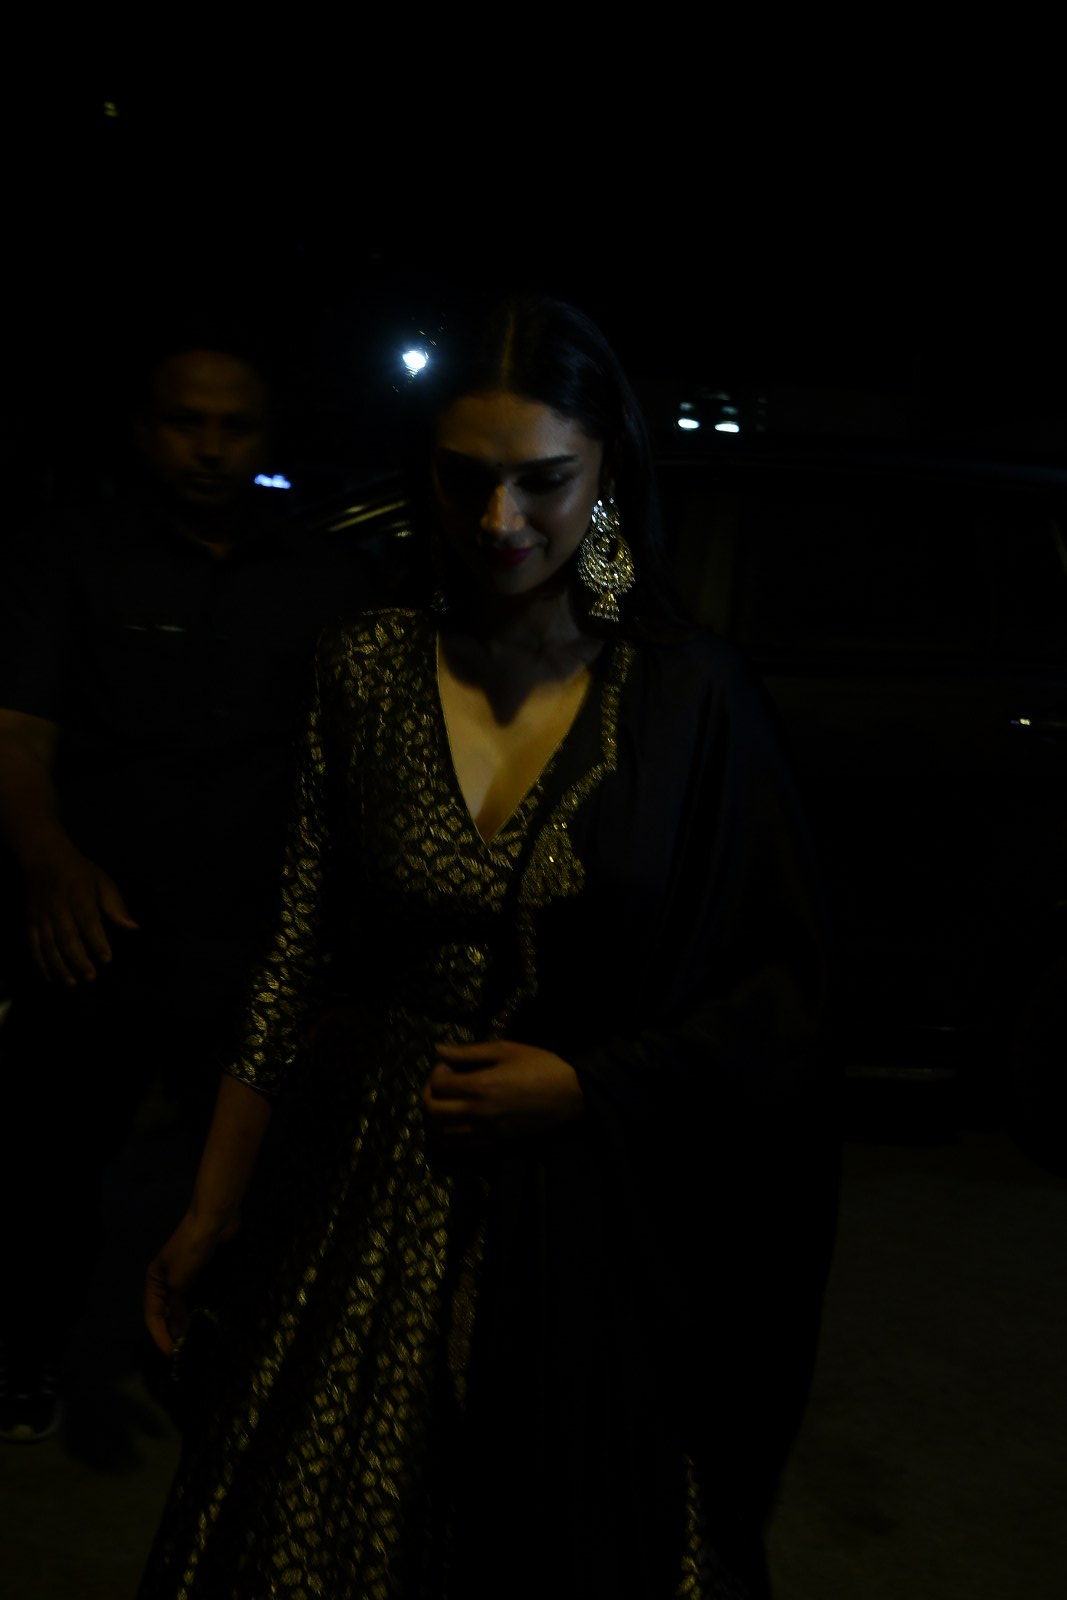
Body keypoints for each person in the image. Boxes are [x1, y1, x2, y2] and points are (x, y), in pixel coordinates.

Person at [136, 288, 840, 1600]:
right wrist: (213, 1209)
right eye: (464, 480)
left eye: (542, 481)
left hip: (591, 1234)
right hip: (364, 1198)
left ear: (608, 471)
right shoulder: (363, 669)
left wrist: (590, 1084)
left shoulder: (687, 702)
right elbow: (294, 953)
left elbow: (781, 1001)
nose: (500, 522)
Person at [0, 318, 390, 1453]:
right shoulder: (68, 555)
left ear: (267, 437)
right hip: (98, 919)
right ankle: (26, 1356)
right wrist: (48, 859)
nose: (211, 448)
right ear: (143, 429)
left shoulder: (328, 575)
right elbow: (17, 732)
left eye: (236, 427)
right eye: (187, 423)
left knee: (246, 1172)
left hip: (257, 930)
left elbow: (366, 755)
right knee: (47, 1156)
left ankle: (202, 1357)